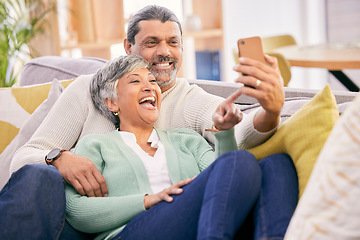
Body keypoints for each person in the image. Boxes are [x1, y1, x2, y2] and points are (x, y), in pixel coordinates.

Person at [0, 5, 296, 240]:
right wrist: (59, 159)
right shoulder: (90, 95)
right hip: (94, 226)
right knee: (40, 177)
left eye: (173, 43)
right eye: (152, 42)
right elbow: (23, 165)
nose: (164, 52)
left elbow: (234, 133)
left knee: (274, 164)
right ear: (128, 47)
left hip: (174, 215)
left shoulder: (188, 109)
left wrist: (269, 111)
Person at [65, 54, 294, 240]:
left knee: (278, 164)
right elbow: (76, 211)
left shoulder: (187, 139)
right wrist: (148, 200)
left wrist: (224, 134)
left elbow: (228, 179)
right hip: (131, 232)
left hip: (192, 227)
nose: (149, 87)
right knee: (241, 160)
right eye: (136, 81)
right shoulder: (96, 144)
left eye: (152, 81)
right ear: (112, 102)